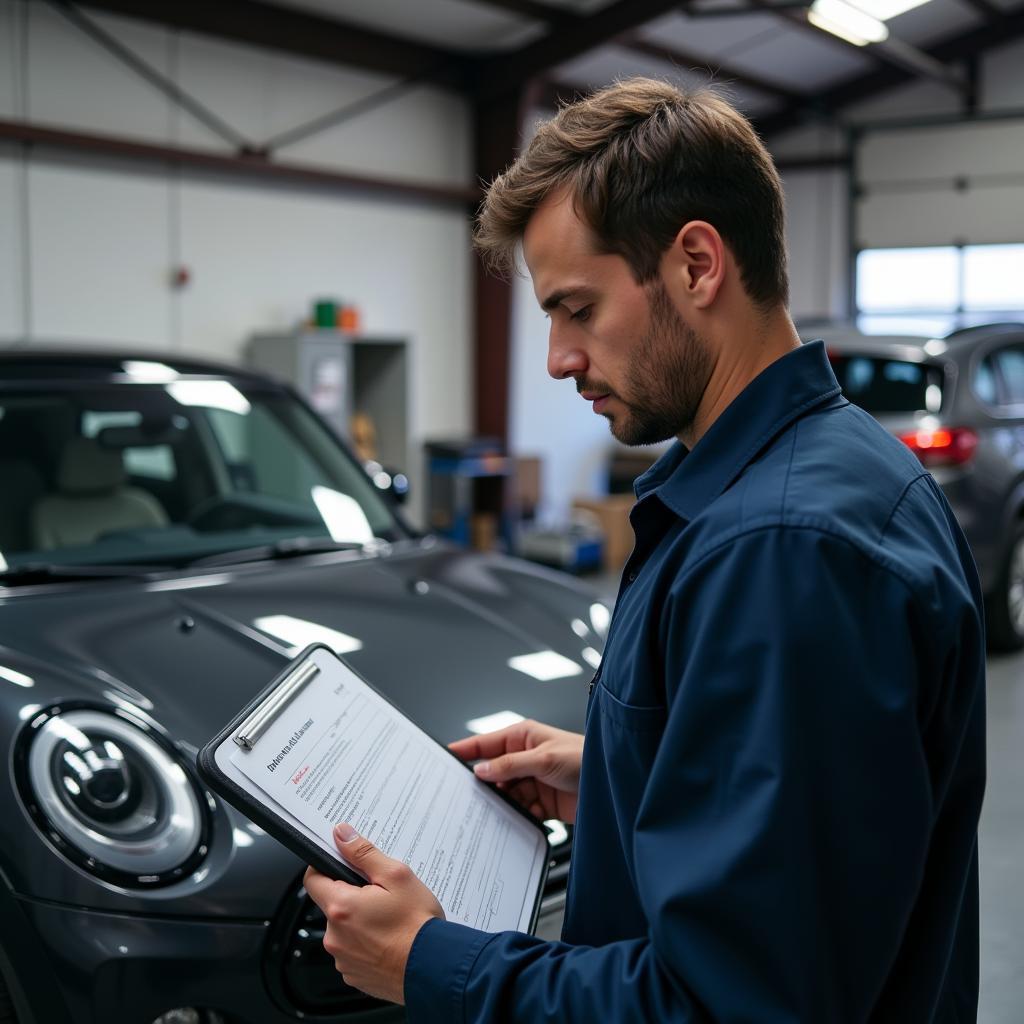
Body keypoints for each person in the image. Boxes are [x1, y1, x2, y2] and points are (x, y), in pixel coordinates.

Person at [303, 78, 986, 1022]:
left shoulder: (783, 554)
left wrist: (430, 963)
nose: (557, 358)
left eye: (577, 309)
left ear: (698, 264)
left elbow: (728, 1006)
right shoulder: (823, 472)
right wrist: (629, 769)